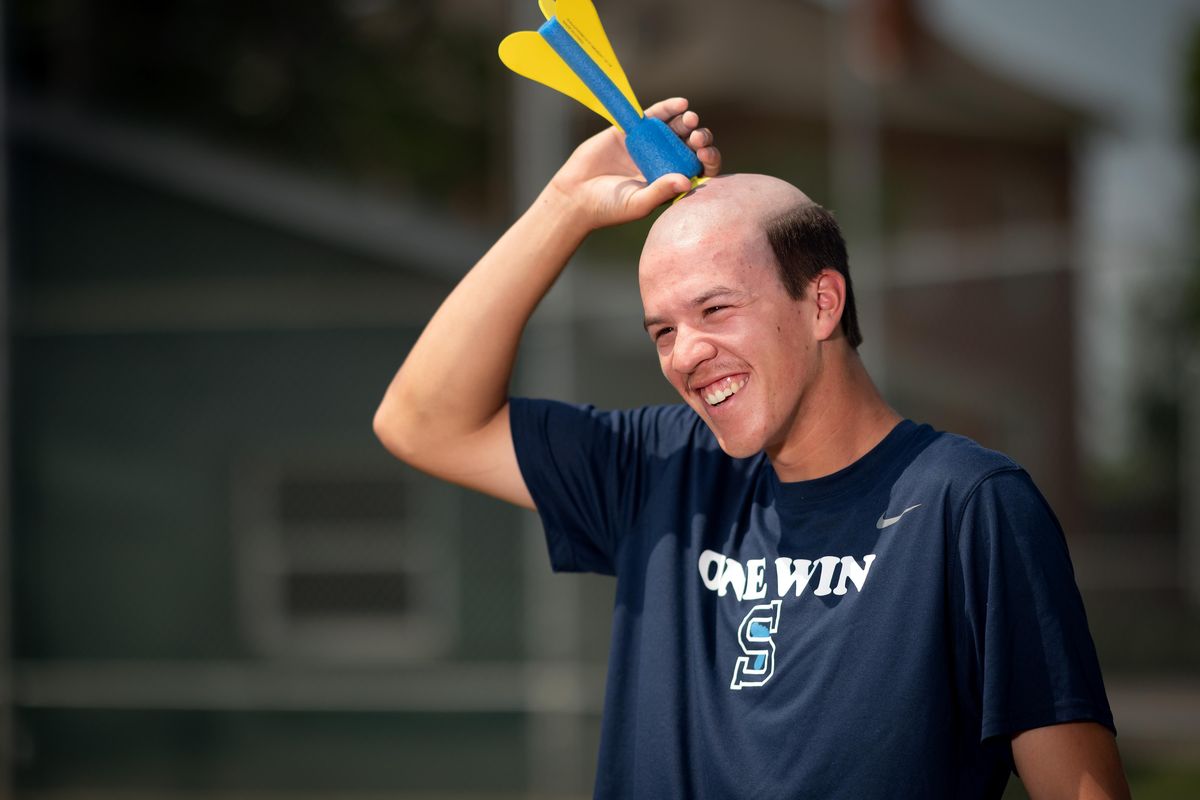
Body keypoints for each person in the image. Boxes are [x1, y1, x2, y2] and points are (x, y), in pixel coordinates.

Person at [373, 98, 1130, 799]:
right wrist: (564, 208)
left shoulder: (968, 504)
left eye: (715, 309)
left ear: (821, 302)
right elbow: (420, 420)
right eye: (662, 330)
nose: (685, 354)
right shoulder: (662, 468)